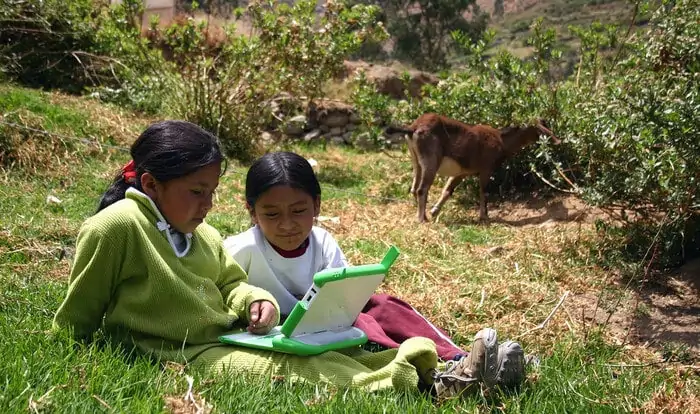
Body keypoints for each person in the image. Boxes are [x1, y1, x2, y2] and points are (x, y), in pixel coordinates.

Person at [51, 121, 513, 401]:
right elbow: (80, 311)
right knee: (285, 373)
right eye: (197, 192)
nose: (207, 204)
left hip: (224, 339)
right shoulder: (116, 227)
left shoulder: (202, 234)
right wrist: (69, 354)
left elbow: (232, 283)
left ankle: (431, 368)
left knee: (317, 358)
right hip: (176, 352)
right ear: (152, 185)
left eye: (211, 192)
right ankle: (422, 382)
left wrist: (255, 300)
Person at [223, 151, 527, 393]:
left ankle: (458, 356)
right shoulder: (241, 249)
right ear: (252, 211)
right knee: (366, 321)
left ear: (316, 205)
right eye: (271, 214)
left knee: (382, 305)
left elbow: (342, 298)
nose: (287, 224)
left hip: (325, 327)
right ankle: (440, 371)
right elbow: (221, 292)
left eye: (299, 211)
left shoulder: (322, 241)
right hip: (278, 337)